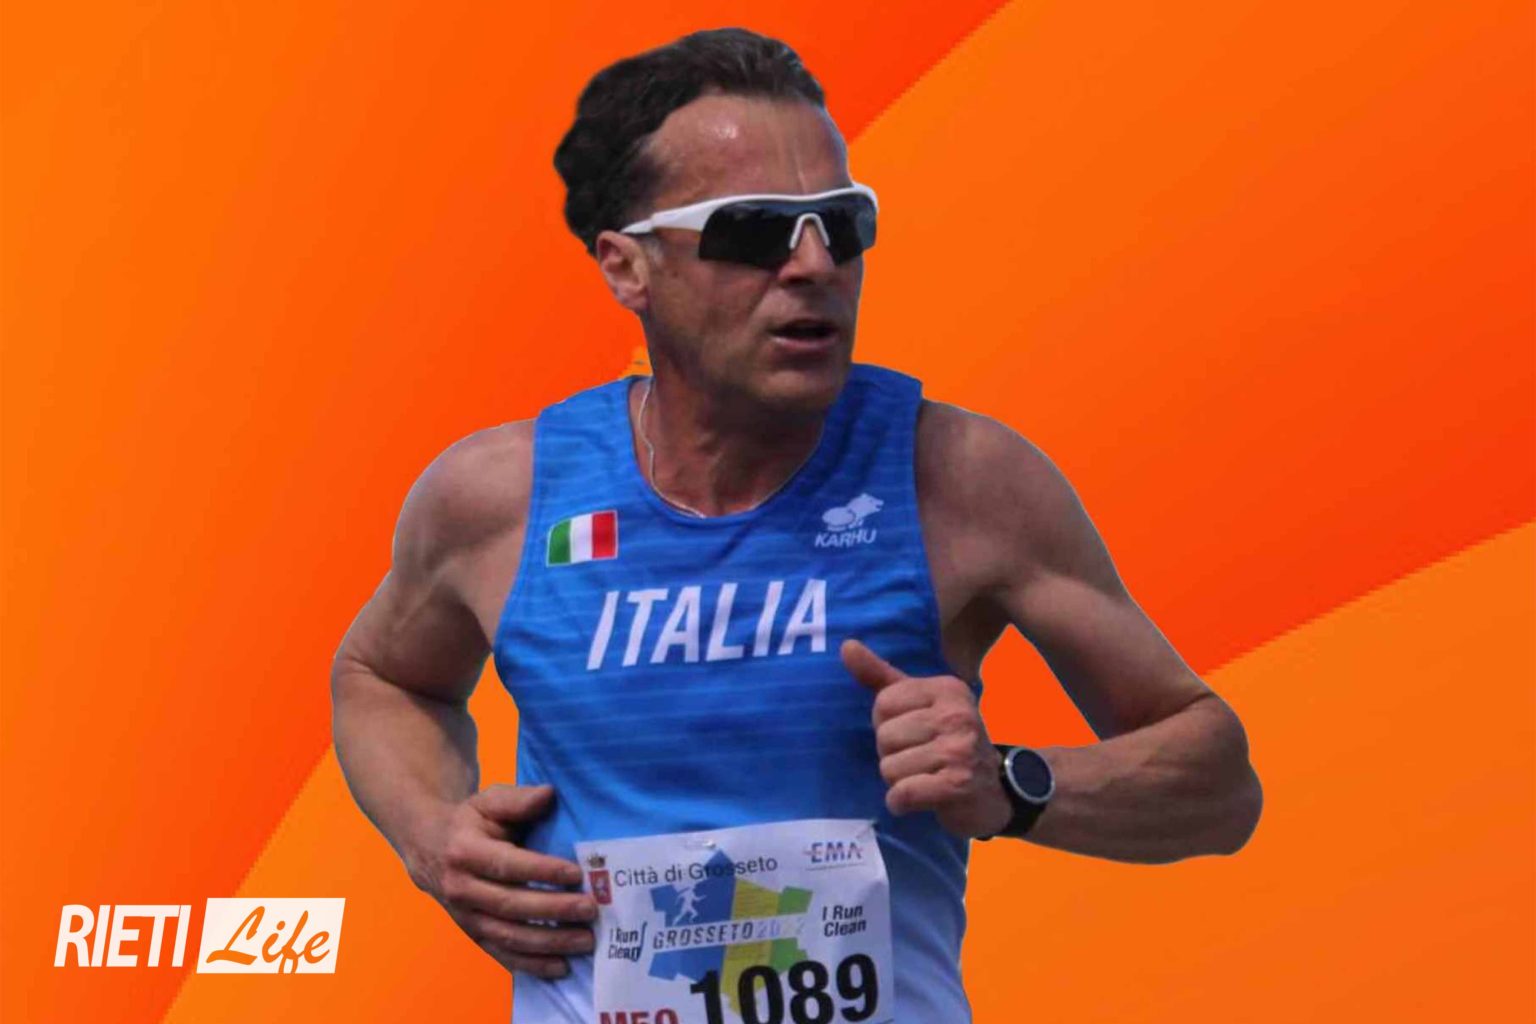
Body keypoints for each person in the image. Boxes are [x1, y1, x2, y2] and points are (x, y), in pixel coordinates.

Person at [331, 27, 1263, 1023]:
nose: (815, 263)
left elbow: (1218, 783)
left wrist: (1011, 785)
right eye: (755, 231)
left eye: (842, 223)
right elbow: (381, 677)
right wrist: (430, 833)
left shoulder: (961, 479)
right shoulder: (502, 496)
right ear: (626, 267)